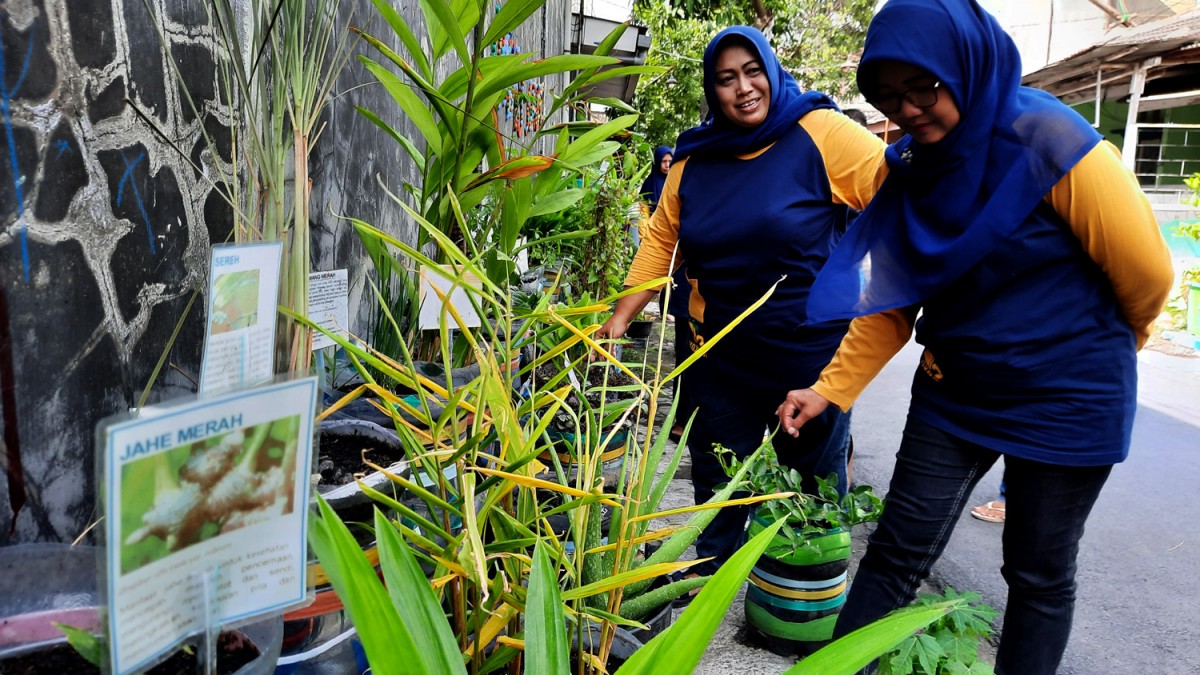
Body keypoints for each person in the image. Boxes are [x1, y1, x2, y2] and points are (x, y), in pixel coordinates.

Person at [774, 1, 1173, 672]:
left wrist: (1101, 350)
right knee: (897, 552)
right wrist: (829, 390)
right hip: (954, 393)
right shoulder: (909, 171)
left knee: (1037, 572)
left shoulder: (1051, 141)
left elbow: (1146, 273)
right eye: (888, 96)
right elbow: (892, 303)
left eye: (922, 86)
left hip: (1066, 399)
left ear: (964, 64)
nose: (907, 110)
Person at [596, 25, 886, 576]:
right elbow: (662, 240)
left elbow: (897, 192)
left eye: (753, 72)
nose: (744, 88)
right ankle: (714, 565)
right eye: (726, 79)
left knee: (812, 485)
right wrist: (620, 318)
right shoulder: (696, 158)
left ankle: (806, 590)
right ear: (712, 89)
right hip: (721, 353)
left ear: (773, 72)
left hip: (810, 354)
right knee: (717, 470)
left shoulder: (820, 132)